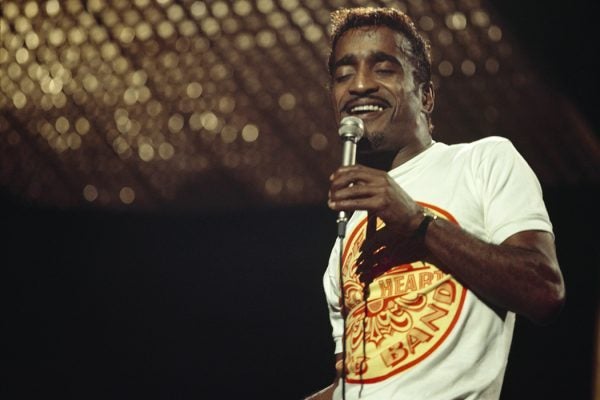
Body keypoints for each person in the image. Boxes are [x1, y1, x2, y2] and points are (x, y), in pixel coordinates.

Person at [306, 7, 565, 400]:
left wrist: (417, 223)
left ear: (425, 94)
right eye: (343, 75)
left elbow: (544, 290)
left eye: (384, 69)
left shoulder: (483, 161)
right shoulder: (342, 246)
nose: (359, 85)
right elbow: (358, 385)